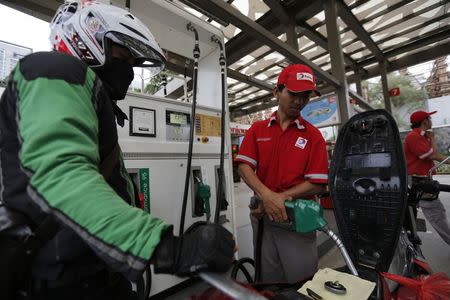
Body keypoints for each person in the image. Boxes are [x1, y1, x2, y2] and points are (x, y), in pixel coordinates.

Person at [0, 2, 234, 300]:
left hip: (90, 273)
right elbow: (61, 175)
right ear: (87, 39)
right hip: (60, 284)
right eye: (123, 56)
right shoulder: (54, 69)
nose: (129, 72)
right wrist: (166, 247)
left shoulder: (87, 96)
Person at [235, 64, 328, 283]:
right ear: (276, 92)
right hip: (263, 217)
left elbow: (317, 184)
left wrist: (279, 198)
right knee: (268, 280)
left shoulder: (314, 137)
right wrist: (267, 197)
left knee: (302, 282)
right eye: (294, 93)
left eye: (305, 96)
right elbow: (244, 167)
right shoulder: (257, 129)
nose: (299, 101)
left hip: (297, 221)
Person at [404, 110, 450, 246]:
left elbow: (433, 153)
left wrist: (431, 138)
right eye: (430, 118)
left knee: (416, 215)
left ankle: (410, 241)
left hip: (421, 181)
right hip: (419, 182)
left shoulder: (421, 136)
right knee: (436, 214)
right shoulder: (414, 137)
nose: (431, 120)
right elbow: (433, 156)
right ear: (425, 121)